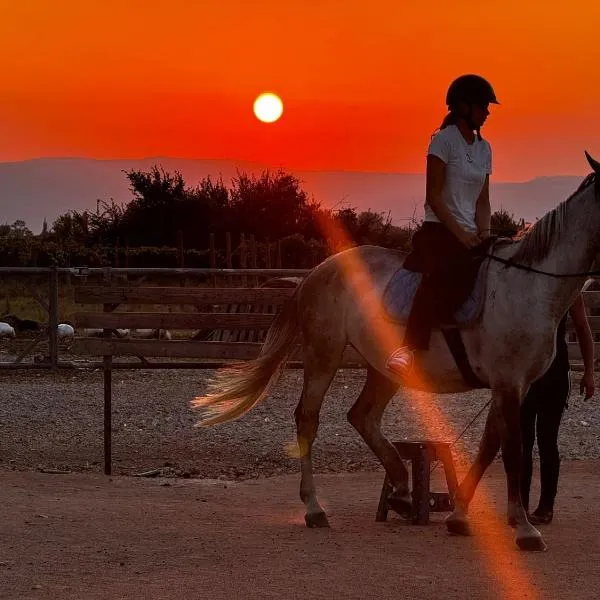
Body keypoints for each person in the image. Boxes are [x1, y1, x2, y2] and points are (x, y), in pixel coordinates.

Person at [387, 74, 498, 377]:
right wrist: (461, 234)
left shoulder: (484, 148)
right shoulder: (442, 141)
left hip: (471, 232)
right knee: (443, 274)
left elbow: (483, 202)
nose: (487, 112)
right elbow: (433, 197)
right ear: (464, 106)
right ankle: (407, 347)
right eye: (483, 106)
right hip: (440, 229)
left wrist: (484, 236)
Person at [520, 291, 595, 524]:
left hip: (551, 371)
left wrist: (589, 372)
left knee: (544, 438)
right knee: (525, 439)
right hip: (527, 371)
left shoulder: (570, 290)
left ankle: (544, 505)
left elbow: (583, 328)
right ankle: (521, 504)